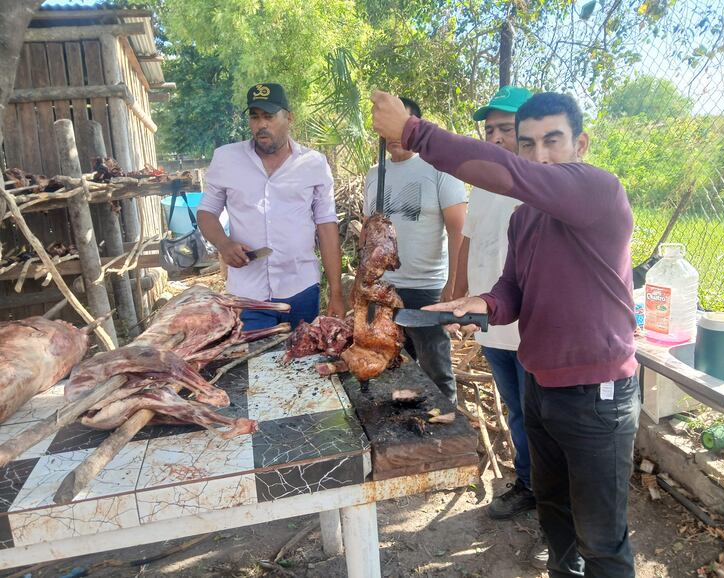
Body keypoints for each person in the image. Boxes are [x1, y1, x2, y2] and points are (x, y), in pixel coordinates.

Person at [371, 90, 640, 578]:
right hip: (540, 384)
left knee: (601, 538)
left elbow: (515, 174)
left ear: (581, 144)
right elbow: (513, 288)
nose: (540, 156)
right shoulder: (525, 217)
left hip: (597, 396)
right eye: (528, 144)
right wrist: (482, 303)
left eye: (554, 141)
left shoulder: (599, 190)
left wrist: (412, 130)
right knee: (554, 512)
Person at [198, 83, 345, 330]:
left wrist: (337, 292)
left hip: (301, 290)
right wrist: (223, 244)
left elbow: (326, 226)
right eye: (254, 117)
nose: (261, 124)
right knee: (255, 364)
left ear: (289, 117)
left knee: (303, 362)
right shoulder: (226, 159)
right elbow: (206, 212)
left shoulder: (313, 164)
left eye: (269, 116)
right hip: (248, 295)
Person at [453, 86, 537, 520]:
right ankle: (528, 484)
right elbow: (469, 238)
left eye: (506, 128)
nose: (497, 137)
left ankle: (554, 500)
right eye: (490, 130)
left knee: (542, 418)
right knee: (517, 410)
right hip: (491, 323)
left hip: (530, 327)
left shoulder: (540, 185)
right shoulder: (484, 182)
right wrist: (455, 291)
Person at [362, 97, 467, 404]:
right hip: (385, 289)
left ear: (415, 126)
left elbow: (458, 229)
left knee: (435, 364)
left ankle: (448, 424)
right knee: (395, 362)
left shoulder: (439, 169)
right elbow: (369, 232)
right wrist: (364, 282)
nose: (394, 134)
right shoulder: (375, 174)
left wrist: (454, 284)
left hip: (427, 288)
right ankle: (407, 422)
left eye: (401, 124)